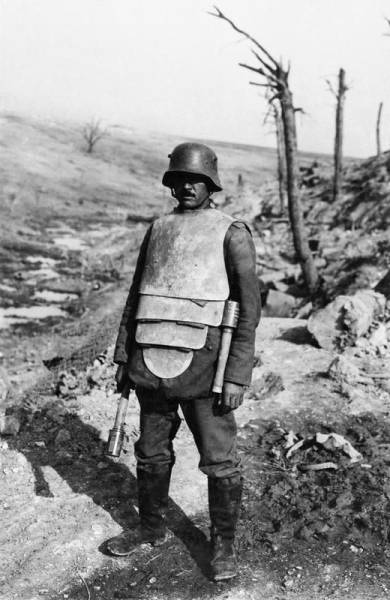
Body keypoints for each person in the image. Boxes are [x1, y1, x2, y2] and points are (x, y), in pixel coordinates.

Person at [106, 142, 261, 581]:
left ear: (211, 184)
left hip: (207, 370)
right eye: (179, 179)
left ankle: (223, 548)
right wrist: (124, 357)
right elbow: (136, 298)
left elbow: (248, 310)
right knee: (151, 452)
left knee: (219, 459)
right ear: (170, 184)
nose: (186, 187)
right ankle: (151, 527)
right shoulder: (158, 229)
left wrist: (236, 376)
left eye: (195, 180)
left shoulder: (232, 233)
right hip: (151, 362)